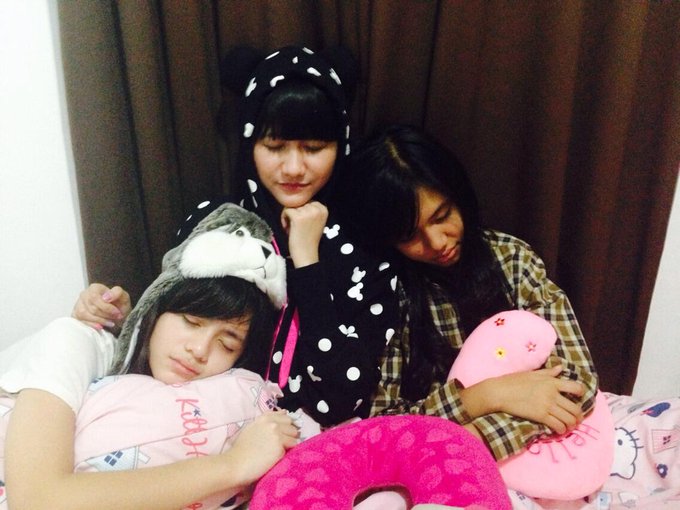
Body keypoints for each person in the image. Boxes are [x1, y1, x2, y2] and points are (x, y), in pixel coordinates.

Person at [73, 45, 400, 428]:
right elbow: (175, 331)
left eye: (314, 148)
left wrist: (307, 262)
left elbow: (343, 398)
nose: (294, 167)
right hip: (194, 430)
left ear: (341, 146)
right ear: (249, 144)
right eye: (274, 146)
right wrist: (118, 315)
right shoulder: (216, 222)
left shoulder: (366, 250)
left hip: (310, 446)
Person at [0, 203, 299, 510]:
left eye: (226, 344)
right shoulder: (72, 341)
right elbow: (35, 501)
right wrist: (233, 465)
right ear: (155, 310)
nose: (199, 350)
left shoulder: (200, 406)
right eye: (191, 321)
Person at [339, 123, 598, 461]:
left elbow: (578, 383)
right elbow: (383, 424)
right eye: (410, 236)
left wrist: (474, 438)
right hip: (436, 465)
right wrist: (486, 396)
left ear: (458, 194)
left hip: (523, 460)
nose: (437, 242)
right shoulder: (390, 292)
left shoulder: (512, 261)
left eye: (442, 215)